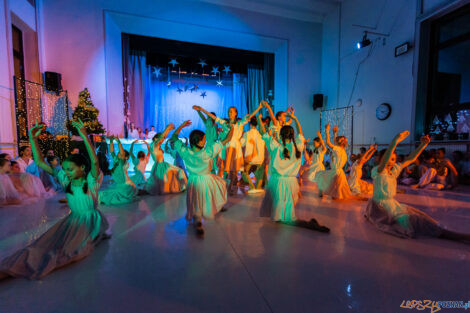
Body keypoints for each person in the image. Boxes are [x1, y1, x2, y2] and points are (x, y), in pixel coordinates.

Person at [0, 119, 110, 280]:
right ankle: (9, 268)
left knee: (68, 251)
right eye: (64, 169)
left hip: (87, 220)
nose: (66, 172)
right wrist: (33, 138)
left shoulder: (91, 181)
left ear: (83, 168)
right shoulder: (65, 180)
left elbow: (94, 161)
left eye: (70, 169)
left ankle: (13, 270)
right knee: (43, 245)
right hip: (72, 220)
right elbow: (39, 162)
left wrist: (85, 136)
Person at [363, 132, 470, 243]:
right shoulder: (378, 171)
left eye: (393, 159)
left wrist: (422, 145)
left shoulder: (393, 171)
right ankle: (451, 235)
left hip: (392, 204)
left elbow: (410, 159)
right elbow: (385, 161)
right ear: (381, 159)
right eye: (389, 159)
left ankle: (443, 231)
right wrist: (395, 142)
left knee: (417, 214)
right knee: (413, 220)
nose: (391, 162)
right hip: (381, 207)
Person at [258, 109, 329, 232]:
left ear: (280, 135)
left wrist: (259, 119)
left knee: (282, 217)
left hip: (277, 182)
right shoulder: (298, 146)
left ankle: (308, 226)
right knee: (286, 213)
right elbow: (300, 133)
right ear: (292, 135)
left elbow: (263, 133)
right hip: (291, 183)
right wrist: (295, 119)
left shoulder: (276, 146)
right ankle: (308, 225)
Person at [170, 120, 233, 236]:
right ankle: (207, 213)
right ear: (199, 142)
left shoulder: (185, 152)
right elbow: (228, 139)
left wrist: (182, 126)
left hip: (193, 180)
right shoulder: (207, 152)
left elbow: (174, 137)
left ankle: (197, 220)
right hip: (206, 179)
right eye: (204, 140)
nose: (205, 141)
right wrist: (232, 127)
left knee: (196, 200)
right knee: (215, 191)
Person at [217, 103, 264, 195]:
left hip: (244, 154)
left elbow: (242, 142)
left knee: (239, 171)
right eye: (229, 112)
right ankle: (248, 184)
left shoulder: (243, 129)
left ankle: (245, 184)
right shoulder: (258, 134)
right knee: (239, 171)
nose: (229, 113)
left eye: (231, 112)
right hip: (257, 158)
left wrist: (259, 107)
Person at [315, 124, 358, 200]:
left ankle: (322, 193)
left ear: (339, 142)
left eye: (337, 140)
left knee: (320, 175)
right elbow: (335, 143)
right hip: (339, 172)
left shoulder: (337, 149)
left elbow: (328, 143)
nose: (335, 141)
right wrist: (335, 133)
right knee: (336, 193)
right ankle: (324, 193)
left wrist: (327, 130)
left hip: (335, 172)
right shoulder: (342, 150)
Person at [145, 124, 187, 195]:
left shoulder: (155, 145)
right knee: (178, 172)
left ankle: (181, 186)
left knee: (178, 171)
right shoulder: (154, 144)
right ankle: (181, 187)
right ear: (156, 138)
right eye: (160, 139)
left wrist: (168, 130)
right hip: (159, 166)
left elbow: (162, 137)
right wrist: (167, 128)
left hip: (161, 164)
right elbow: (162, 137)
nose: (162, 140)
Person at [99, 136, 138, 205]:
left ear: (125, 157)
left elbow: (122, 153)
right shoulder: (116, 160)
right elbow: (112, 151)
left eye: (119, 153)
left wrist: (118, 142)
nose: (118, 154)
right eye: (118, 153)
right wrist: (111, 141)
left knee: (115, 196)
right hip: (121, 183)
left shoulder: (123, 162)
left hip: (125, 184)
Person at [240, 116, 265, 193]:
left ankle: (251, 186)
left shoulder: (247, 134)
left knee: (244, 173)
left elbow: (241, 143)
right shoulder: (261, 134)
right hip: (260, 158)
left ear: (250, 124)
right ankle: (257, 188)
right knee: (259, 174)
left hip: (250, 158)